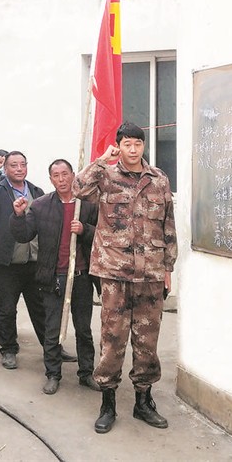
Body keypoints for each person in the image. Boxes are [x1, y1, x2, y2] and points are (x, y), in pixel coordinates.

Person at [73, 122, 177, 434]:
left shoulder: (158, 179)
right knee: (113, 338)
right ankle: (108, 403)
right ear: (119, 146)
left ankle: (143, 401)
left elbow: (168, 225)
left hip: (150, 274)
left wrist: (168, 269)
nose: (133, 149)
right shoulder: (105, 175)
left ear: (144, 146)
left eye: (137, 144)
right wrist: (101, 160)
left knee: (147, 341)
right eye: (127, 144)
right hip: (114, 273)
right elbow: (78, 189)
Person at [0, 150, 76, 370]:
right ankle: (8, 349)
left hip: (34, 261)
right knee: (6, 308)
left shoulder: (36, 191)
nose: (19, 169)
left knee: (40, 308)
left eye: (22, 164)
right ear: (5, 169)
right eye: (13, 165)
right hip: (8, 262)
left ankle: (52, 348)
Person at [10, 159, 99, 394]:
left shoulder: (87, 207)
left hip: (81, 277)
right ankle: (52, 374)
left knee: (84, 329)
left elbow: (102, 238)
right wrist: (18, 215)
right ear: (51, 180)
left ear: (73, 175)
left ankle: (86, 373)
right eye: (56, 175)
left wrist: (85, 230)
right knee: (52, 329)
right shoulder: (41, 206)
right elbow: (24, 235)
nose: (61, 179)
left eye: (65, 174)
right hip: (53, 277)